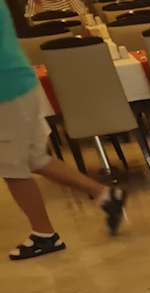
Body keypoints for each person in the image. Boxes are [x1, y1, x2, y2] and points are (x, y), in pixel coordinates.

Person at [1, 4, 126, 259]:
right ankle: (106, 195)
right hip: (17, 81)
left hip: (6, 89)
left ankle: (44, 235)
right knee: (35, 158)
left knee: (11, 166)